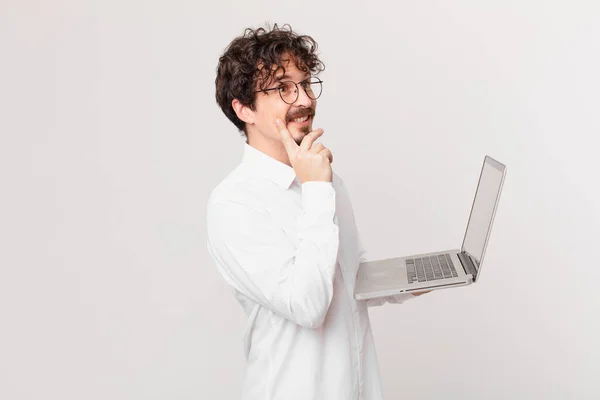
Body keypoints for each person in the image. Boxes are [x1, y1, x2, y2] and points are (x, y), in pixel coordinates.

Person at [206, 23, 428, 400]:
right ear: (243, 109)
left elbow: (349, 278)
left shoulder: (325, 179)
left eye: (306, 84)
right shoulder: (234, 203)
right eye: (282, 88)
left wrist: (418, 275)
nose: (304, 99)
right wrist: (315, 189)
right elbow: (308, 306)